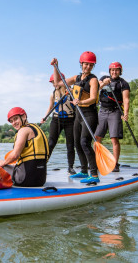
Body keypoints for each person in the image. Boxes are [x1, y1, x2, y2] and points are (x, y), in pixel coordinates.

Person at [51, 51, 100, 183]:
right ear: (81, 64)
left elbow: (93, 98)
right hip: (78, 115)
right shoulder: (77, 78)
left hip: (89, 114)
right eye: (86, 64)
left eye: (90, 65)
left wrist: (81, 102)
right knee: (77, 143)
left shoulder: (93, 79)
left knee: (85, 143)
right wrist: (55, 67)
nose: (88, 67)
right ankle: (84, 171)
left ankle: (94, 175)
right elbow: (57, 83)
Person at [0, 107, 50, 187]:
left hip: (25, 180)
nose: (14, 123)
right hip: (41, 180)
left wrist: (4, 163)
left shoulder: (23, 130)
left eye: (16, 119)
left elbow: (15, 155)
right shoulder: (37, 129)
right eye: (11, 121)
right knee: (9, 164)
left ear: (24, 116)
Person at [95, 62, 130, 172]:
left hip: (115, 111)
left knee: (114, 138)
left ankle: (115, 163)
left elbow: (126, 99)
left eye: (117, 70)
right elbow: (96, 88)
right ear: (109, 71)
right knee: (96, 138)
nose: (114, 72)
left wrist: (126, 113)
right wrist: (104, 84)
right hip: (102, 111)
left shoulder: (123, 83)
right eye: (112, 70)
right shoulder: (104, 78)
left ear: (120, 71)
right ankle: (97, 161)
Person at [40, 73, 76, 175]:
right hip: (56, 120)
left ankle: (70, 167)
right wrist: (45, 117)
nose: (54, 85)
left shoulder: (71, 92)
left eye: (55, 82)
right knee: (50, 143)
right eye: (52, 83)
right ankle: (43, 165)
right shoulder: (53, 94)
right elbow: (50, 107)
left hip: (70, 120)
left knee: (70, 145)